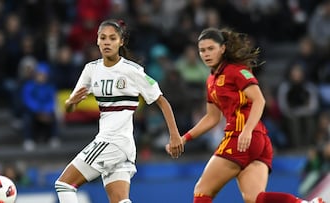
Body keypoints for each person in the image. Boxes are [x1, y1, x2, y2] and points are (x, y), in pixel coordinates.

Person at [166, 27, 324, 203]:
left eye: (211, 49)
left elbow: (259, 100)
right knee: (255, 198)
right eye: (202, 50)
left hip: (241, 136)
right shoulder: (211, 80)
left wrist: (247, 130)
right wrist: (185, 138)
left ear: (223, 48)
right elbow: (212, 118)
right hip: (257, 140)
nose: (206, 54)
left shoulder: (235, 71)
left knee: (202, 191)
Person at [54, 19, 183, 203]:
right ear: (97, 41)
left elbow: (162, 101)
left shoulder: (132, 71)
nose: (107, 42)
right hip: (121, 146)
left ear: (121, 41)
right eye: (103, 38)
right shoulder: (91, 70)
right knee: (120, 201)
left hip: (112, 141)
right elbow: (69, 107)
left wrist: (174, 135)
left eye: (112, 38)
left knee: (64, 185)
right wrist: (70, 102)